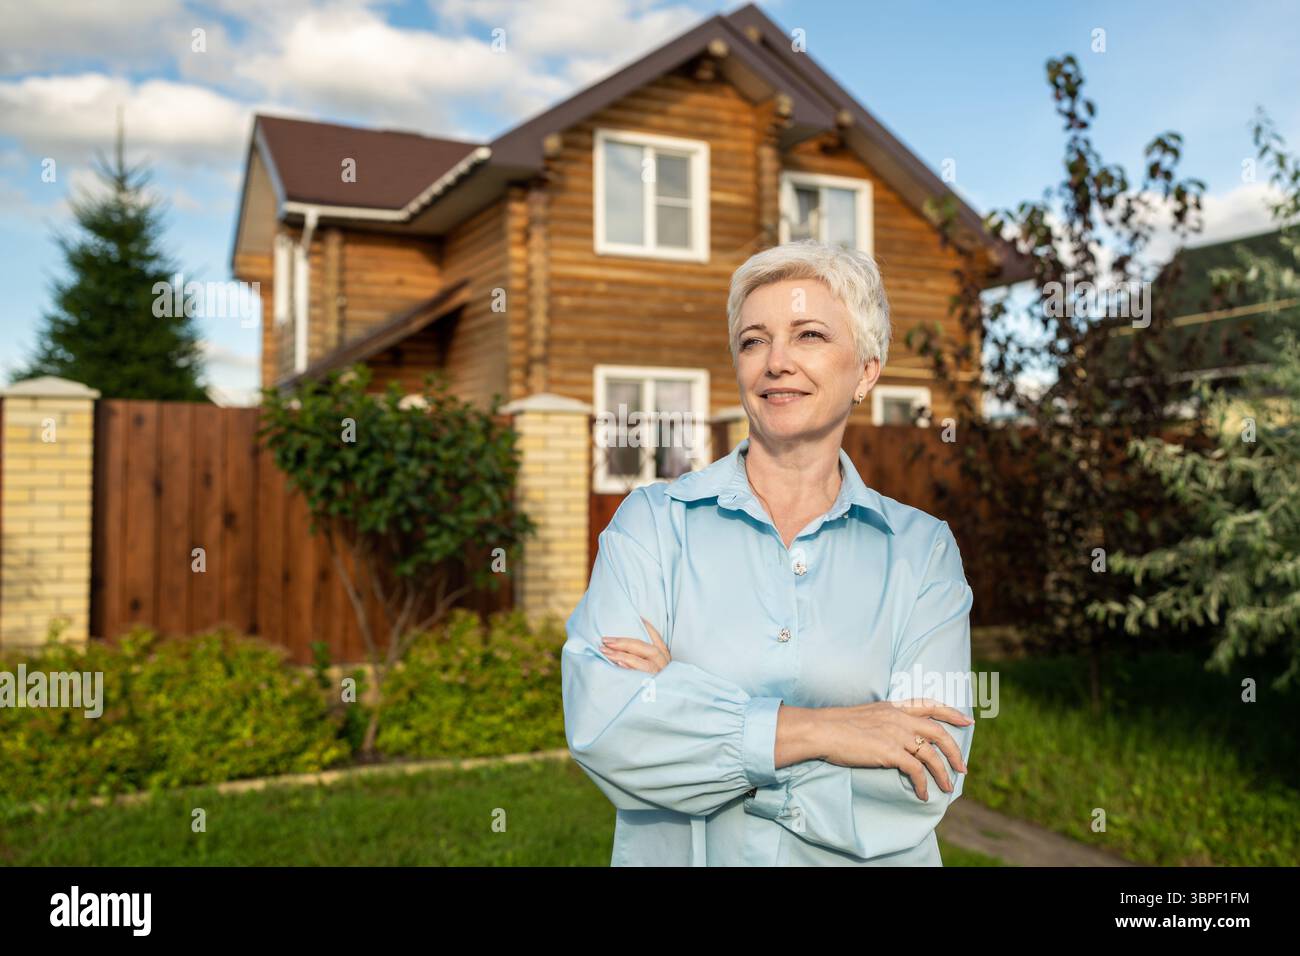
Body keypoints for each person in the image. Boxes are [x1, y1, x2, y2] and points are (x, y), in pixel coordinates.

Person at [561, 239, 976, 866]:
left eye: (808, 334)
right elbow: (608, 727)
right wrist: (831, 732)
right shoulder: (649, 524)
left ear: (866, 369)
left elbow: (925, 774)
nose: (776, 361)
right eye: (754, 340)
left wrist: (688, 711)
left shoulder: (923, 552)